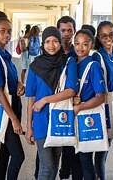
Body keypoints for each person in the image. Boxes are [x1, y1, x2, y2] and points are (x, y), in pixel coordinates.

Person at [25, 26, 78, 180]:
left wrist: (45, 100)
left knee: (55, 163)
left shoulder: (68, 63)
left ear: (60, 43)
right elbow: (30, 98)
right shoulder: (35, 66)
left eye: (55, 41)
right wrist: (29, 126)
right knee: (46, 164)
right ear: (42, 44)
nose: (51, 45)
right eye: (47, 41)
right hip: (41, 119)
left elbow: (71, 90)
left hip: (60, 117)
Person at [0, 15, 25, 179]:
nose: (6, 35)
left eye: (9, 31)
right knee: (18, 156)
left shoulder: (5, 55)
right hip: (6, 111)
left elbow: (9, 80)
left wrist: (18, 84)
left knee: (5, 151)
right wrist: (14, 119)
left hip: (14, 106)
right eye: (2, 31)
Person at [73, 29, 106, 180]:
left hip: (87, 117)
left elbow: (100, 97)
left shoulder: (94, 66)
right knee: (79, 160)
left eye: (85, 44)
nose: (80, 48)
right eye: (77, 43)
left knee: (86, 160)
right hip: (74, 117)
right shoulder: (71, 64)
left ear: (91, 45)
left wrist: (80, 107)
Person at [93, 20, 113, 180]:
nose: (108, 38)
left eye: (111, 34)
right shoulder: (97, 56)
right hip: (104, 104)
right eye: (104, 36)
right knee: (102, 148)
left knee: (108, 145)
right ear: (99, 38)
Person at [56, 16, 79, 180]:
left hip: (73, 105)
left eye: (69, 30)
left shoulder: (77, 53)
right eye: (63, 30)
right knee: (52, 145)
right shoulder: (51, 51)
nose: (66, 34)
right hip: (54, 104)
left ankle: (65, 173)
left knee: (70, 146)